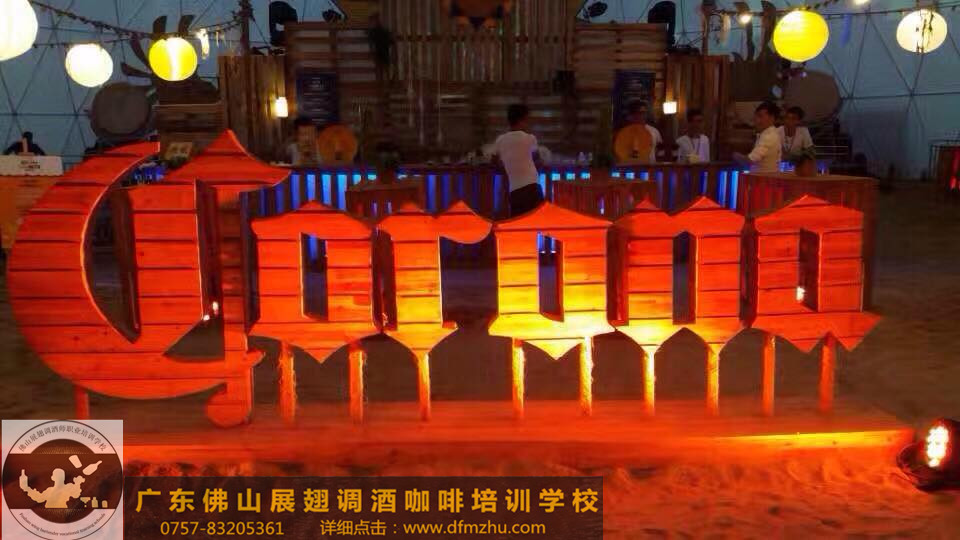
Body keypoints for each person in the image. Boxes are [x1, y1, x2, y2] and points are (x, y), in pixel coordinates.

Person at [494, 103, 542, 217]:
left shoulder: (500, 140)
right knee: (536, 222)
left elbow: (495, 162)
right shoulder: (530, 138)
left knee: (518, 224)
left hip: (514, 190)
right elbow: (538, 161)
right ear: (523, 119)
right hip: (532, 187)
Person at [734, 101, 782, 173]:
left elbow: (750, 160)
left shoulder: (768, 136)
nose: (756, 120)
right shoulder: (771, 133)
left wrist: (735, 155)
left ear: (772, 118)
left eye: (760, 116)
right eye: (756, 116)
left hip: (763, 178)